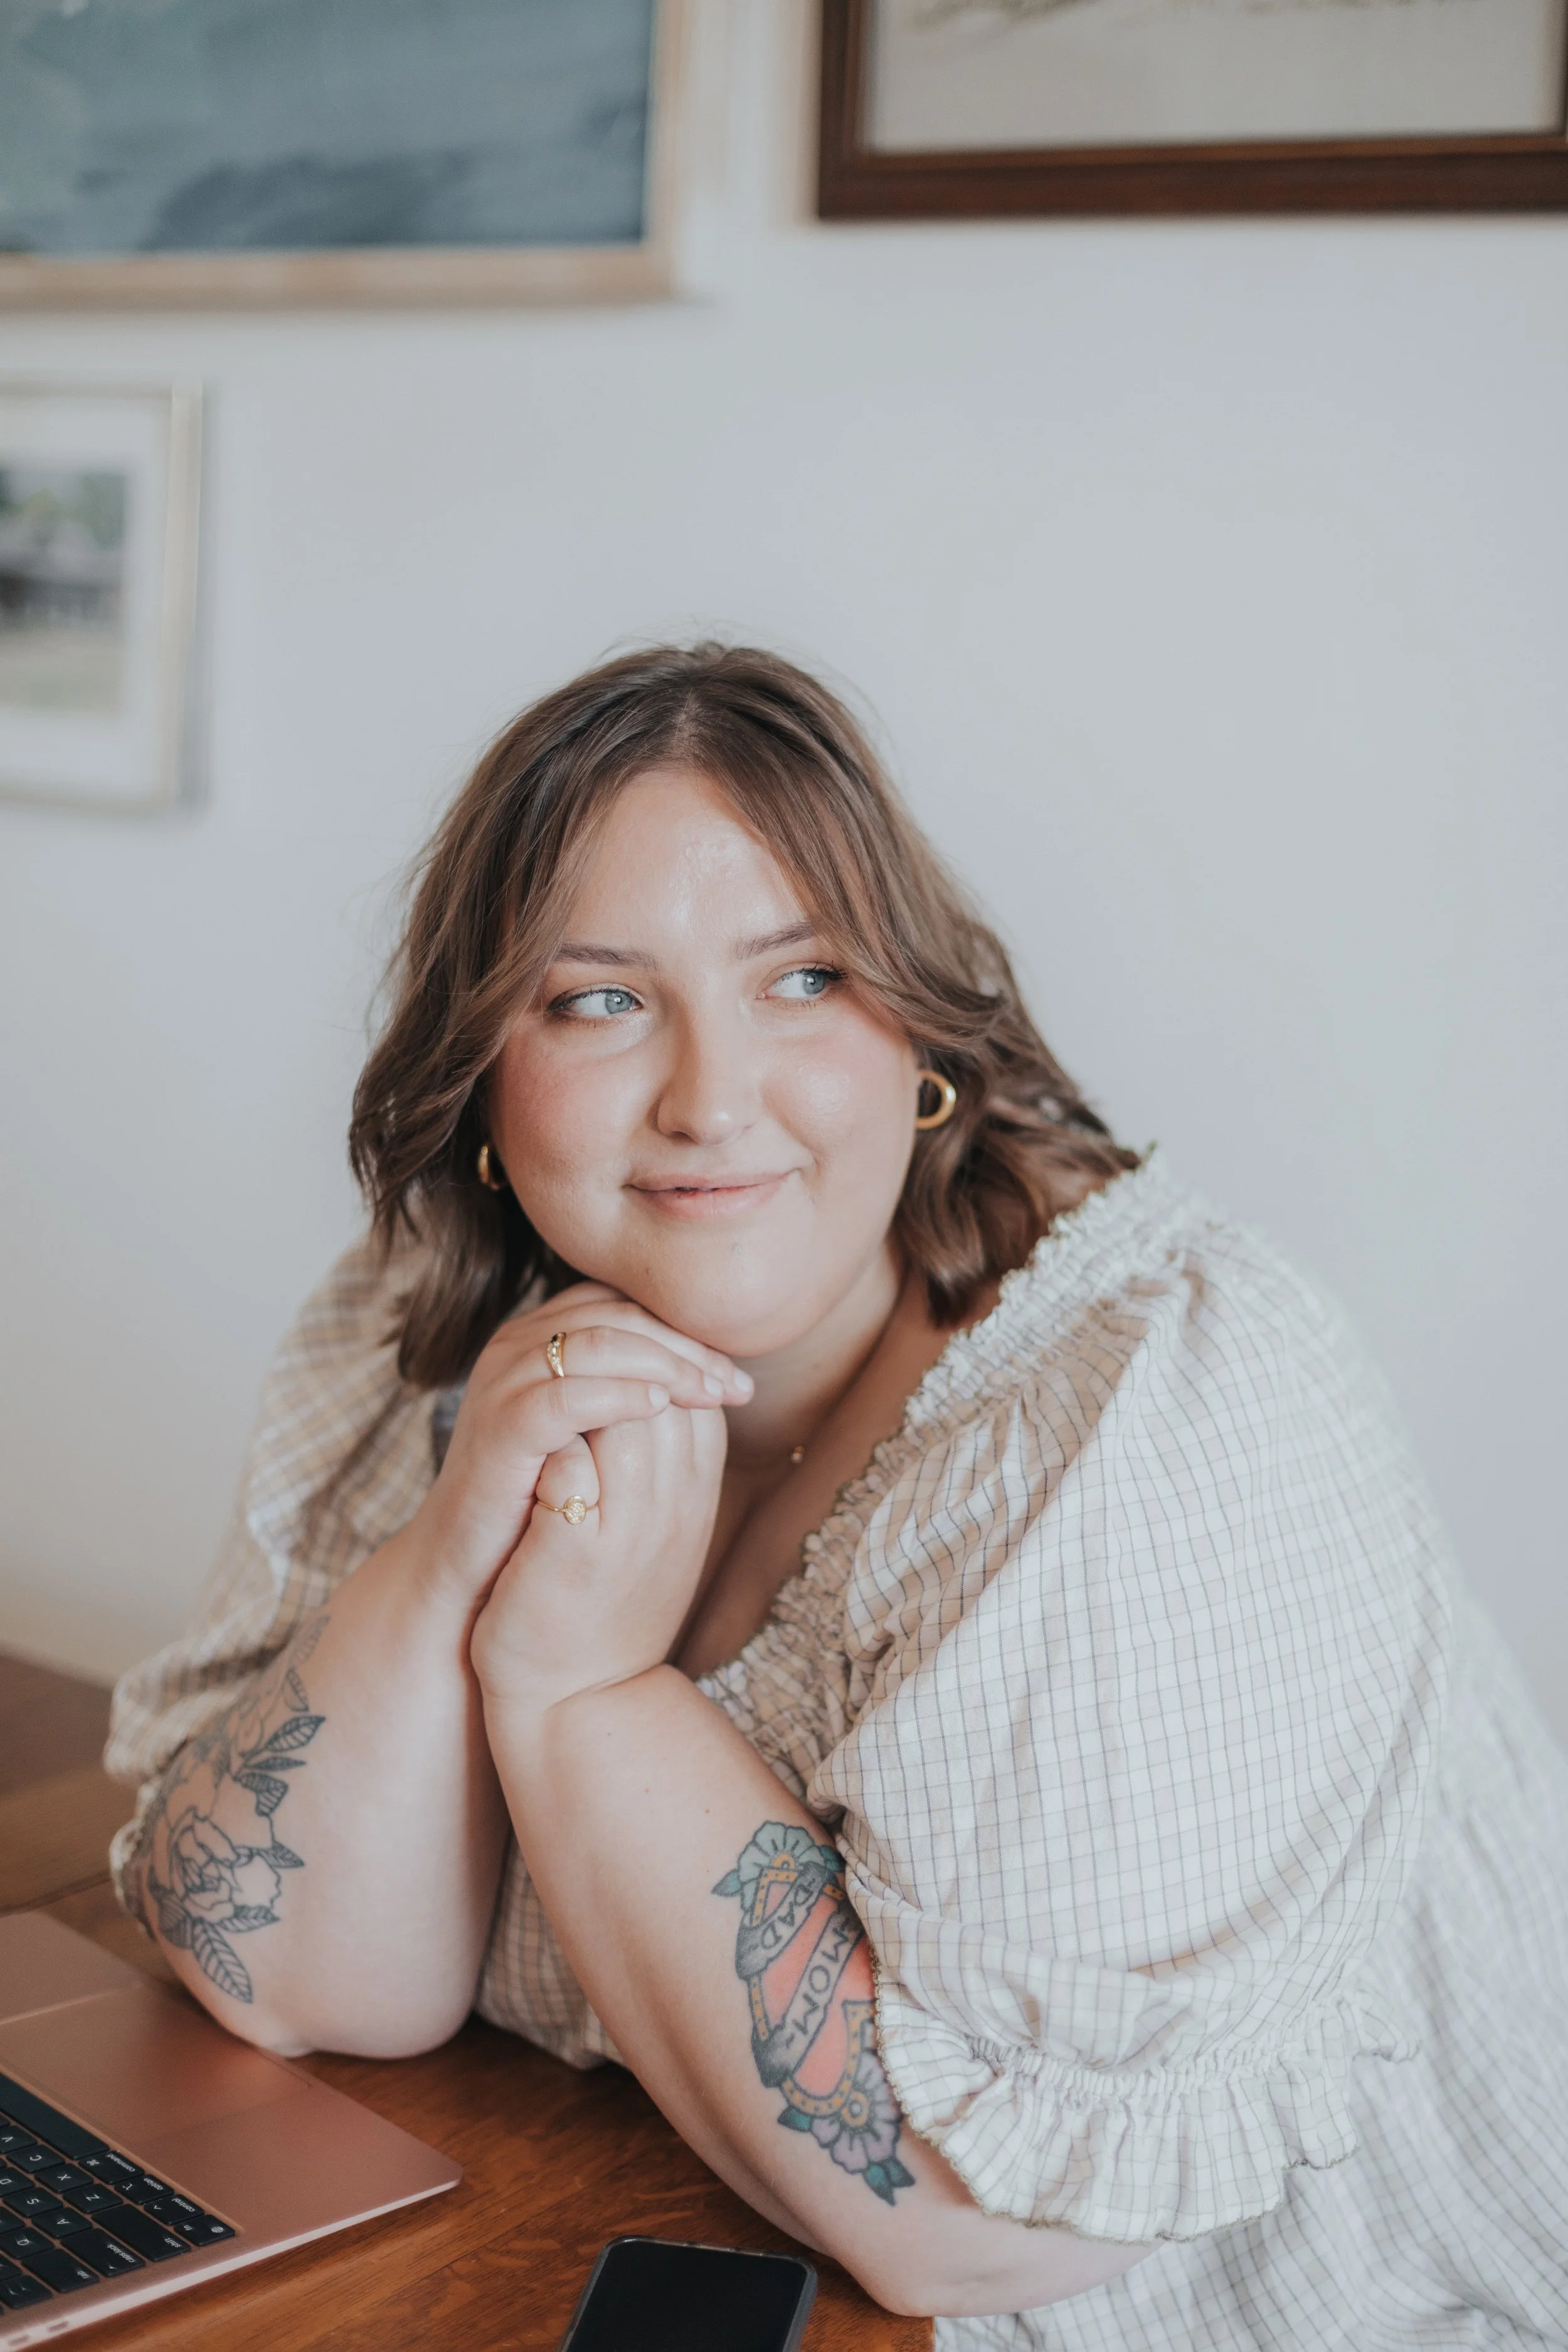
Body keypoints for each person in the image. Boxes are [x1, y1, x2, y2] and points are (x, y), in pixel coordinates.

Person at [107, 644, 1568, 2347]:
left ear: (917, 1035)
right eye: (598, 999)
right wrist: (446, 1566)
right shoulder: (421, 1332)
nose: (711, 1097)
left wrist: (579, 1688)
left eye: (799, 980)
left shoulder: (1153, 1404)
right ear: (483, 1090)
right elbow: (285, 1979)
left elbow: (982, 2225)